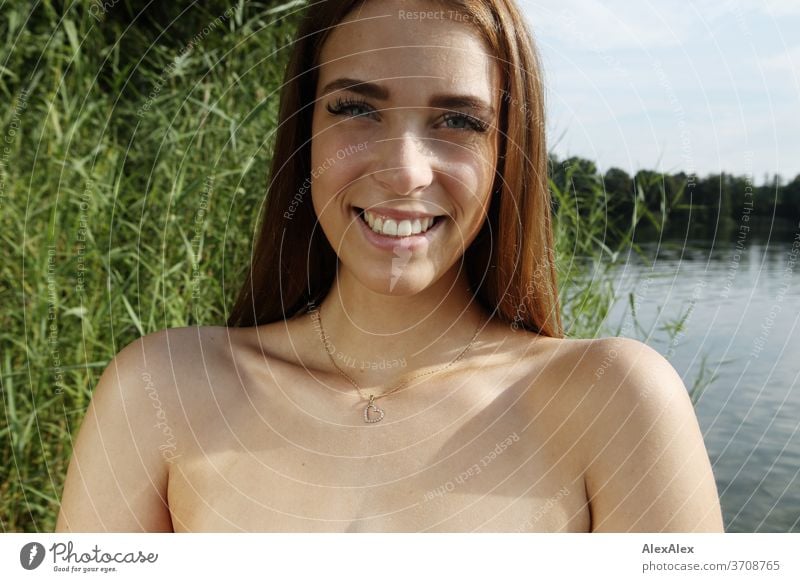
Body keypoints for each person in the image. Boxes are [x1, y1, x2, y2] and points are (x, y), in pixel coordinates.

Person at [56, 0, 723, 532]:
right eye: (356, 108)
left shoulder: (615, 402)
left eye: (458, 120)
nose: (405, 171)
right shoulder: (158, 393)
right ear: (305, 133)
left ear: (505, 156)